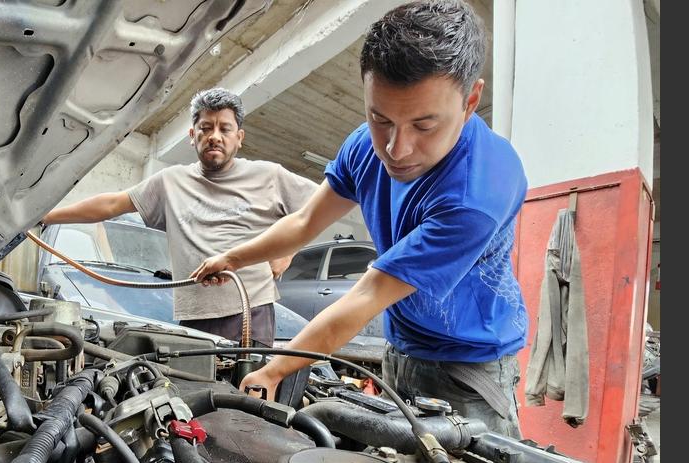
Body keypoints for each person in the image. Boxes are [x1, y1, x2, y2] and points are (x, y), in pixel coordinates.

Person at [192, 0, 529, 438]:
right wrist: (233, 258)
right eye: (380, 118)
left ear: (470, 102)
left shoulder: (478, 193)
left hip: (469, 369)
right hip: (401, 348)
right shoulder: (364, 145)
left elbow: (367, 294)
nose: (396, 148)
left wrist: (274, 372)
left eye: (424, 126)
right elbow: (304, 223)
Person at [41, 87, 318, 348]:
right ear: (192, 134)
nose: (215, 136)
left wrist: (288, 251)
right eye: (206, 128)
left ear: (239, 137)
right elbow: (112, 203)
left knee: (247, 395)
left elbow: (321, 205)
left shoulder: (268, 176)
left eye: (225, 128)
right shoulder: (170, 182)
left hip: (250, 311)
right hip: (193, 314)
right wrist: (46, 216)